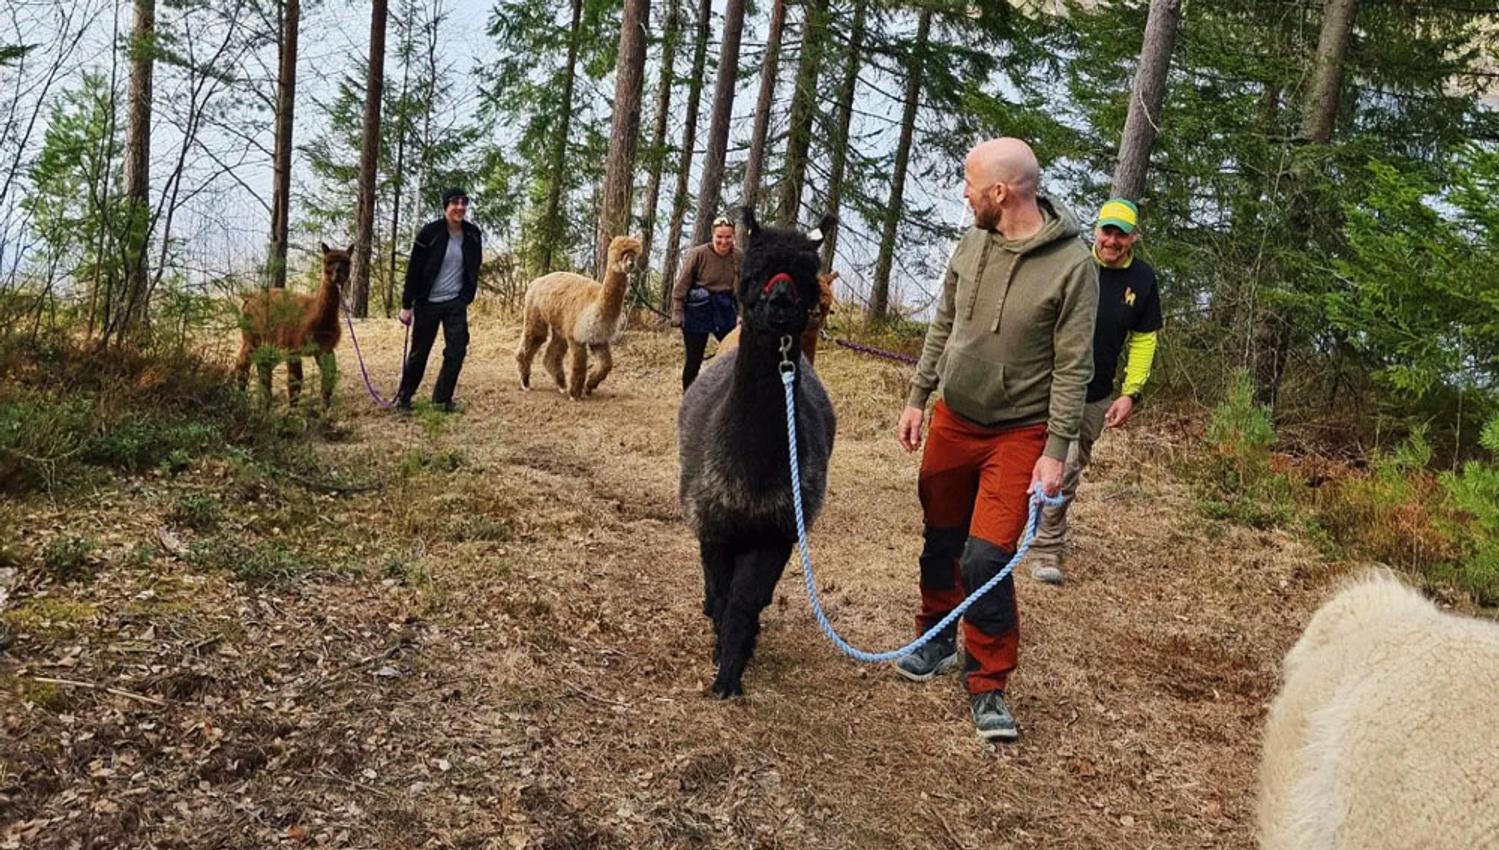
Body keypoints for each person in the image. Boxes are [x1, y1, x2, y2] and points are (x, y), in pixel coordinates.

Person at [892, 138, 1098, 741]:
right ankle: (935, 639)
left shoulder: (1073, 267)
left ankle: (989, 682)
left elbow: (1074, 367)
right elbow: (944, 323)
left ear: (1001, 193)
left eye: (970, 183)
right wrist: (917, 397)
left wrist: (1056, 452)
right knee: (941, 536)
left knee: (985, 557)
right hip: (955, 418)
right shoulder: (973, 241)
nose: (964, 192)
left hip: (1019, 433)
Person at [1027, 198, 1162, 585]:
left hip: (1094, 394)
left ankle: (1045, 547)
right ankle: (1021, 533)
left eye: (1121, 234)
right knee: (1025, 455)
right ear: (1096, 231)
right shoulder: (1072, 265)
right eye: (1107, 231)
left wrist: (1130, 393)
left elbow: (1143, 340)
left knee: (1065, 469)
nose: (1112, 241)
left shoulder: (1143, 281)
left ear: (1134, 237)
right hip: (1043, 383)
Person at [396, 187, 482, 413]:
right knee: (420, 352)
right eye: (455, 203)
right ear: (446, 207)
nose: (460, 207)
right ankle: (404, 398)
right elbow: (414, 269)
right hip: (428, 303)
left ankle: (442, 400)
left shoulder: (473, 234)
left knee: (457, 350)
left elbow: (474, 267)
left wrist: (467, 295)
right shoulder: (430, 233)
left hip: (455, 303)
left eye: (464, 203)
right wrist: (407, 305)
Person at [670, 215, 742, 391]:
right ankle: (689, 397)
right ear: (713, 235)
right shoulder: (698, 254)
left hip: (725, 308)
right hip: (699, 309)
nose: (723, 241)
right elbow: (681, 286)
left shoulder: (739, 256)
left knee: (735, 353)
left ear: (734, 237)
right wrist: (677, 312)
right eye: (720, 237)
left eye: (727, 237)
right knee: (694, 359)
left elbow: (743, 289)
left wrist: (742, 313)